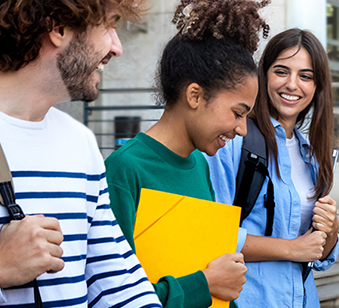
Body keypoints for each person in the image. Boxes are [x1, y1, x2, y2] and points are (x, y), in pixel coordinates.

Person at [0, 0, 163, 307]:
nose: (117, 48)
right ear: (58, 27)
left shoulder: (81, 143)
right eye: (111, 25)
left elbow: (111, 276)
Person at [104, 0, 269, 307]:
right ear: (195, 95)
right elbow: (113, 296)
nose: (243, 129)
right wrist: (204, 285)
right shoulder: (124, 170)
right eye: (237, 112)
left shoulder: (199, 165)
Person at [206, 28, 339, 308]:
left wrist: (331, 229)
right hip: (248, 299)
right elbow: (212, 232)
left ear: (317, 87)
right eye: (282, 71)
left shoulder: (314, 156)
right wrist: (291, 249)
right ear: (263, 75)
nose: (293, 84)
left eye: (305, 76)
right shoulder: (234, 141)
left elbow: (319, 255)